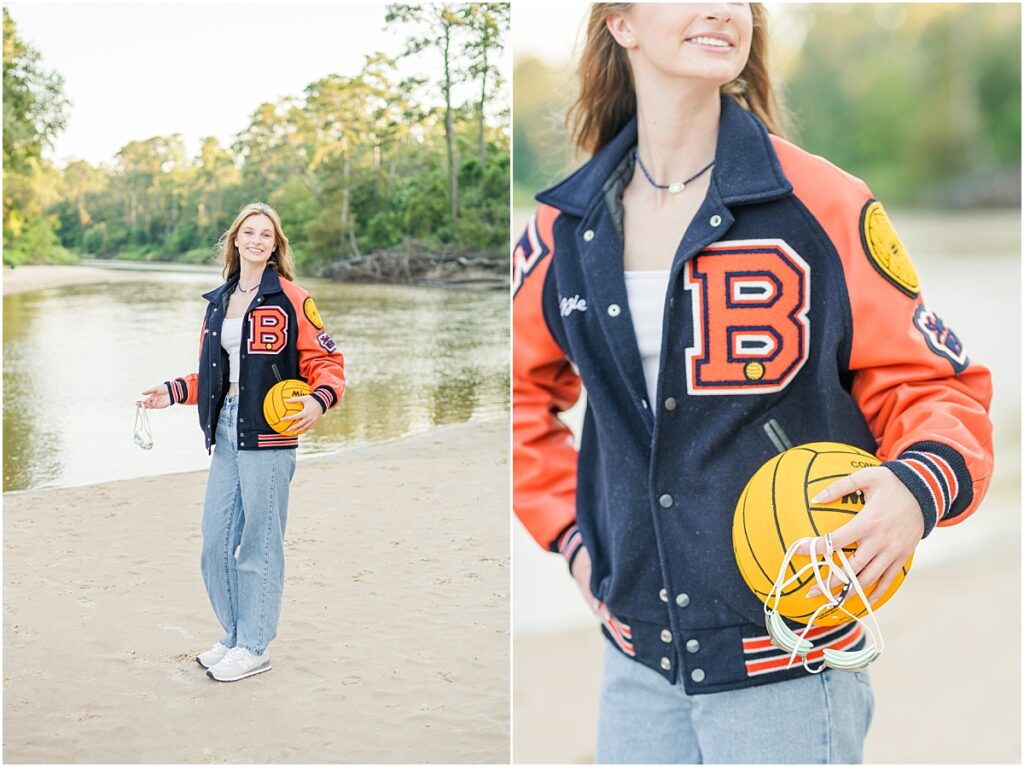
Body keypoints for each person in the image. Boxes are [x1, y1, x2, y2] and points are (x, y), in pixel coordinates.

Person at [512, 3, 993, 763]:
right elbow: (519, 403)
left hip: (792, 662)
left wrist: (914, 488)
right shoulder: (561, 230)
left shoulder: (824, 203)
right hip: (634, 667)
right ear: (622, 25)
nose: (721, 8)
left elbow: (935, 385)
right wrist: (576, 542)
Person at [141, 202, 345, 683]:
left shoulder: (293, 298)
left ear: (275, 246)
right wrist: (172, 392)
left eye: (266, 234)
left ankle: (255, 646)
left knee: (259, 543)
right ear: (235, 240)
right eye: (248, 232)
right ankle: (233, 636)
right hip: (226, 429)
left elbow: (328, 363)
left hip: (271, 434)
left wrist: (318, 401)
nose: (256, 240)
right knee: (215, 543)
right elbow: (215, 376)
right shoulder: (218, 302)